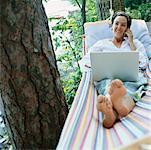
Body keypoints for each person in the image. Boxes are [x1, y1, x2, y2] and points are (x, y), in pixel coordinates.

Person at [79, 11, 149, 128]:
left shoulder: (135, 43)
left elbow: (143, 63)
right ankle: (115, 107)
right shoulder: (101, 44)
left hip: (130, 77)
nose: (119, 27)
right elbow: (84, 62)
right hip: (109, 77)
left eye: (123, 25)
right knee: (109, 85)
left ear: (127, 28)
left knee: (130, 88)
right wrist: (98, 65)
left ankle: (112, 111)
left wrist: (131, 42)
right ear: (112, 25)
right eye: (116, 24)